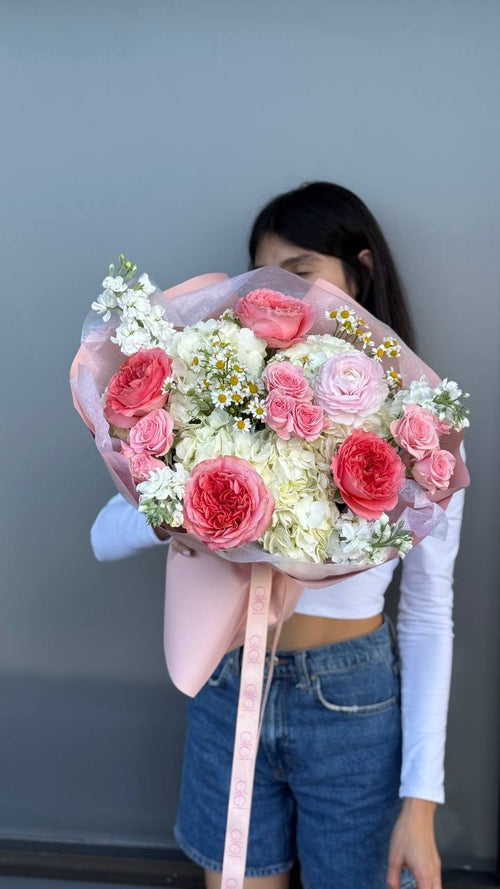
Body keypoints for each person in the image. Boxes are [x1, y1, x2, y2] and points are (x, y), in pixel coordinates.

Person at [90, 182, 466, 889]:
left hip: (351, 703)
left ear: (360, 268)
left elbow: (428, 618)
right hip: (230, 682)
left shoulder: (422, 431)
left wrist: (421, 805)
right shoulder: (226, 396)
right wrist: (176, 498)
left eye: (299, 273)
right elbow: (101, 538)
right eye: (262, 278)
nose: (280, 296)